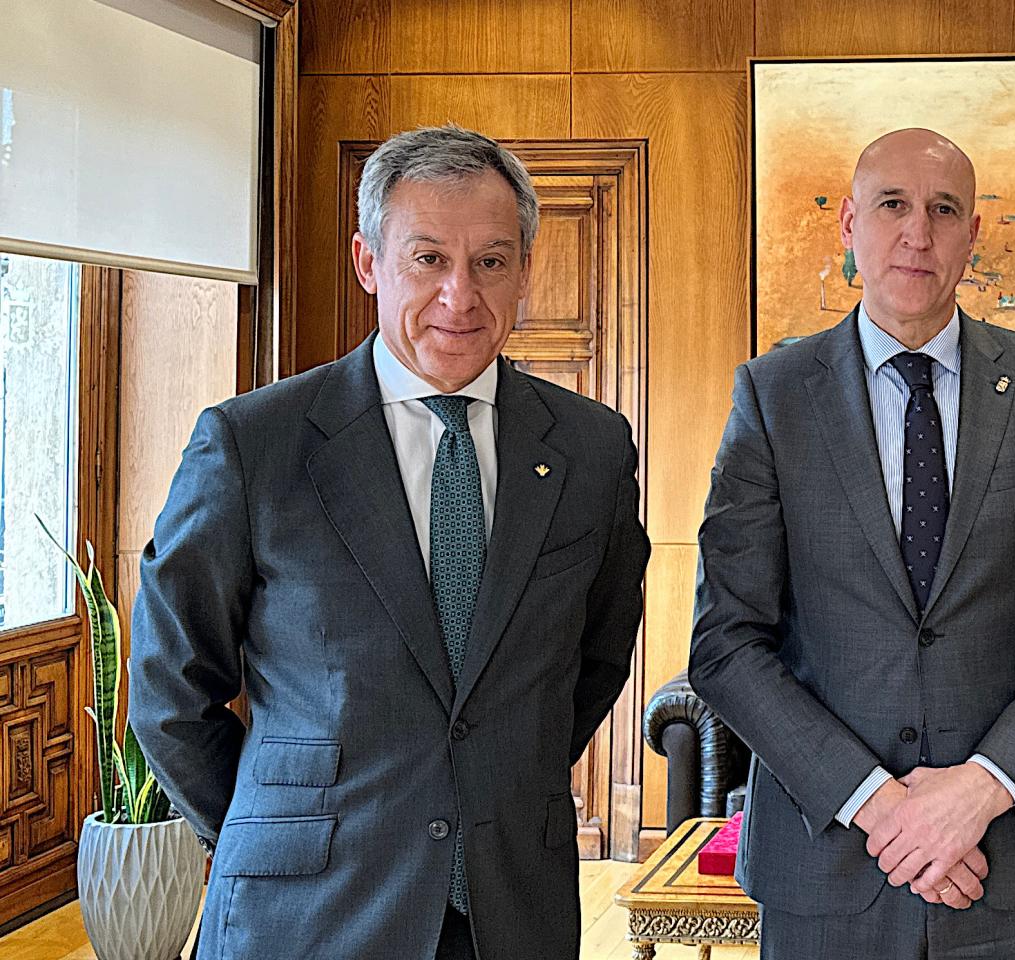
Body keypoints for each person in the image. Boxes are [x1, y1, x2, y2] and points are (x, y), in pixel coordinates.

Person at [128, 125, 649, 959]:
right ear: (369, 261)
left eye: (491, 261)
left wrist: (496, 778)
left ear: (524, 269)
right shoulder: (253, 444)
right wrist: (277, 826)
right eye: (428, 259)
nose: (460, 297)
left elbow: (593, 660)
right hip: (304, 913)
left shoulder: (592, 450)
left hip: (510, 907)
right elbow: (168, 685)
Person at [690, 128, 1015, 959]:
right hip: (828, 867)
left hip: (1009, 865)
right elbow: (726, 642)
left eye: (943, 210)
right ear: (850, 224)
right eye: (892, 205)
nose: (917, 233)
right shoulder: (774, 396)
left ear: (973, 234)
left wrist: (978, 790)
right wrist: (879, 804)